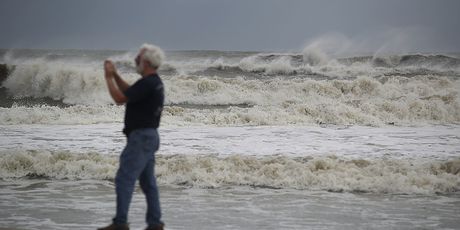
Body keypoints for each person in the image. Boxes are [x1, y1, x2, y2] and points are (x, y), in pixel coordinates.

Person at [98, 44, 165, 230]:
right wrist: (117, 75)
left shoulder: (149, 83)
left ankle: (120, 223)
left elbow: (120, 98)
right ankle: (155, 223)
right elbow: (129, 93)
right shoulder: (152, 82)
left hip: (141, 138)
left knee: (124, 178)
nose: (136, 61)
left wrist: (108, 77)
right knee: (148, 182)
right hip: (149, 137)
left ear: (147, 61)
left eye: (138, 58)